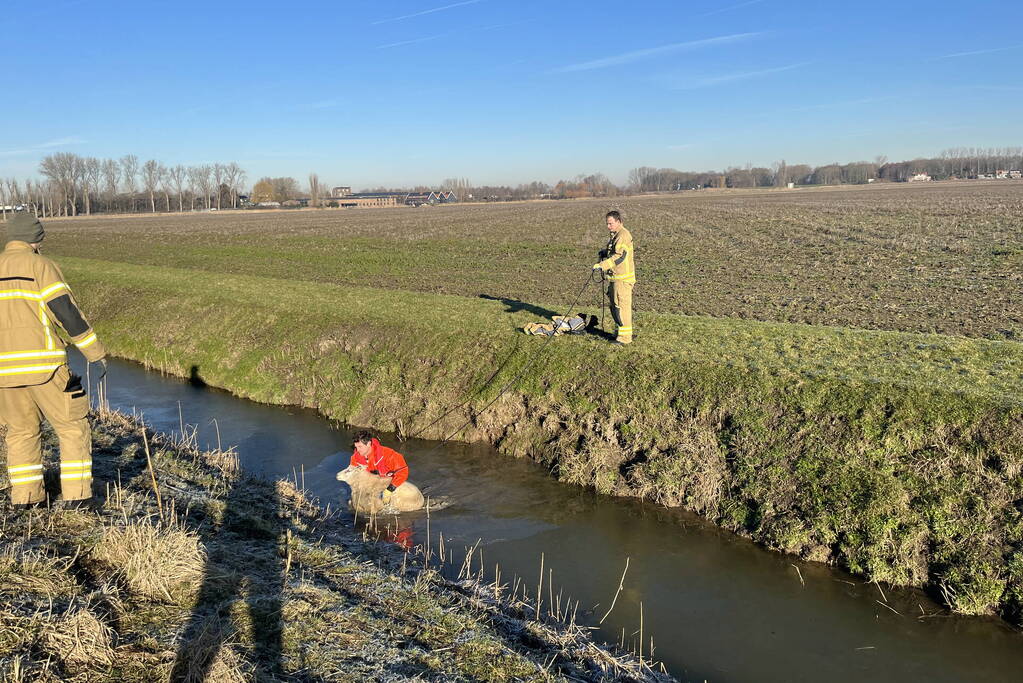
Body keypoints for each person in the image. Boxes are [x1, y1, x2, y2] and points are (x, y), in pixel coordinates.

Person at [0, 211, 107, 509]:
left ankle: (27, 499)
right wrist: (95, 353)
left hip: (4, 374)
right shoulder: (41, 267)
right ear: (36, 239)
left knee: (20, 432)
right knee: (72, 426)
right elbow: (67, 314)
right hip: (45, 368)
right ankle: (77, 498)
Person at [592, 210, 636, 345]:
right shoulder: (615, 235)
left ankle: (625, 338)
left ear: (618, 222)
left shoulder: (623, 235)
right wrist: (605, 252)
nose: (608, 226)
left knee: (622, 308)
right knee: (616, 307)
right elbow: (614, 251)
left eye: (610, 223)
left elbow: (620, 256)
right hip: (615, 278)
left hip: (622, 279)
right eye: (607, 224)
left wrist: (602, 265)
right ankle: (619, 334)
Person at [349, 430, 409, 505]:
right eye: (356, 447)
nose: (357, 450)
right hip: (371, 486)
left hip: (390, 484)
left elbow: (403, 472)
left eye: (360, 447)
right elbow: (355, 478)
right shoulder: (354, 458)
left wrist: (390, 489)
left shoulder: (389, 455)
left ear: (369, 444)